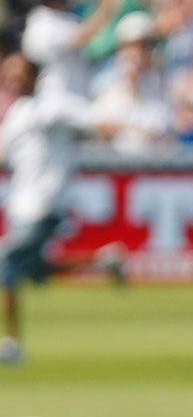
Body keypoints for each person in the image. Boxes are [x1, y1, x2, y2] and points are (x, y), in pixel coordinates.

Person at [0, 52, 123, 366]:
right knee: (34, 270)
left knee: (5, 264)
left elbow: (89, 117)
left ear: (34, 76)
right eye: (8, 72)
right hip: (22, 206)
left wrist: (107, 125)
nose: (12, 77)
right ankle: (104, 261)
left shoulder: (50, 105)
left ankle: (11, 344)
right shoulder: (16, 114)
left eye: (19, 72)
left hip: (43, 204)